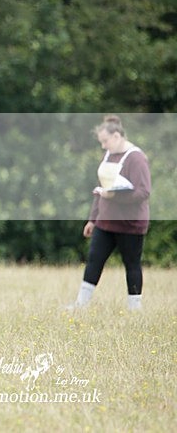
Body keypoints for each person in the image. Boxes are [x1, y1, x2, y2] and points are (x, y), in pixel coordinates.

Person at [70, 115, 151, 311]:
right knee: (94, 260)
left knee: (131, 264)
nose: (103, 146)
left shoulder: (136, 158)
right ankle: (81, 305)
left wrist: (114, 196)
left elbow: (143, 192)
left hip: (130, 224)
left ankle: (134, 308)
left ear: (116, 136)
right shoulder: (107, 156)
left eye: (105, 141)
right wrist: (93, 219)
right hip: (105, 222)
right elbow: (101, 191)